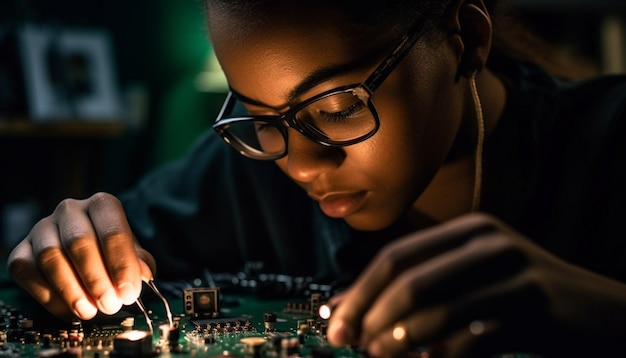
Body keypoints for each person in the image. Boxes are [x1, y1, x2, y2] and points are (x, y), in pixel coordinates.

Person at [7, 0, 626, 356]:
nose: (299, 165)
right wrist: (70, 240)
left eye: (337, 109)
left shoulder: (608, 143)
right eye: (258, 115)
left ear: (465, 40)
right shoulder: (240, 170)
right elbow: (103, 237)